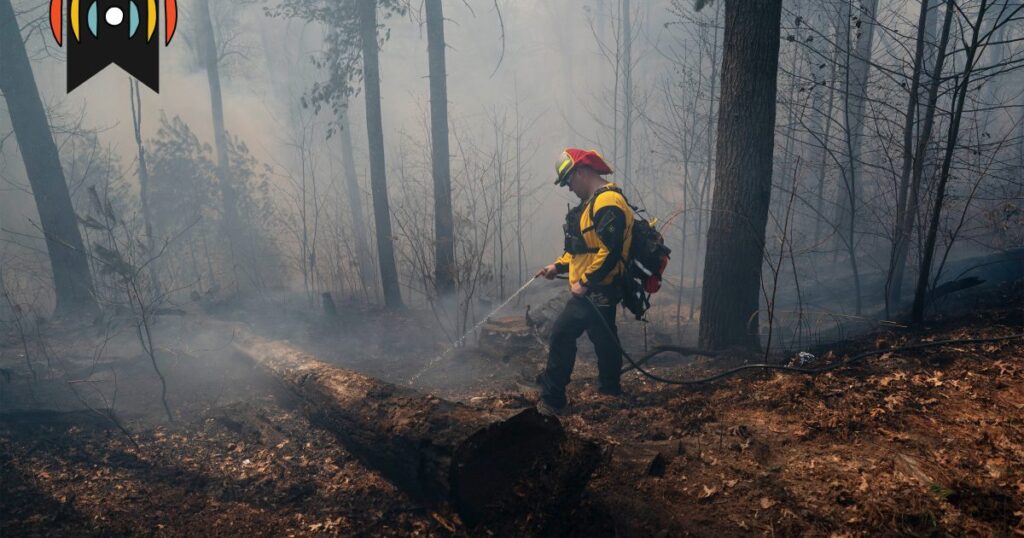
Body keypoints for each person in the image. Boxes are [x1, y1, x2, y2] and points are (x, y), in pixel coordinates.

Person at [534, 148, 634, 416]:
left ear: (581, 172)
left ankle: (552, 400)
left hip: (598, 286)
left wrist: (586, 282)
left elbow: (611, 251)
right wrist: (557, 266)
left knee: (561, 333)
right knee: (604, 336)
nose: (569, 188)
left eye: (568, 180)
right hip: (596, 285)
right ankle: (610, 390)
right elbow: (583, 250)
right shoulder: (591, 204)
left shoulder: (608, 202)